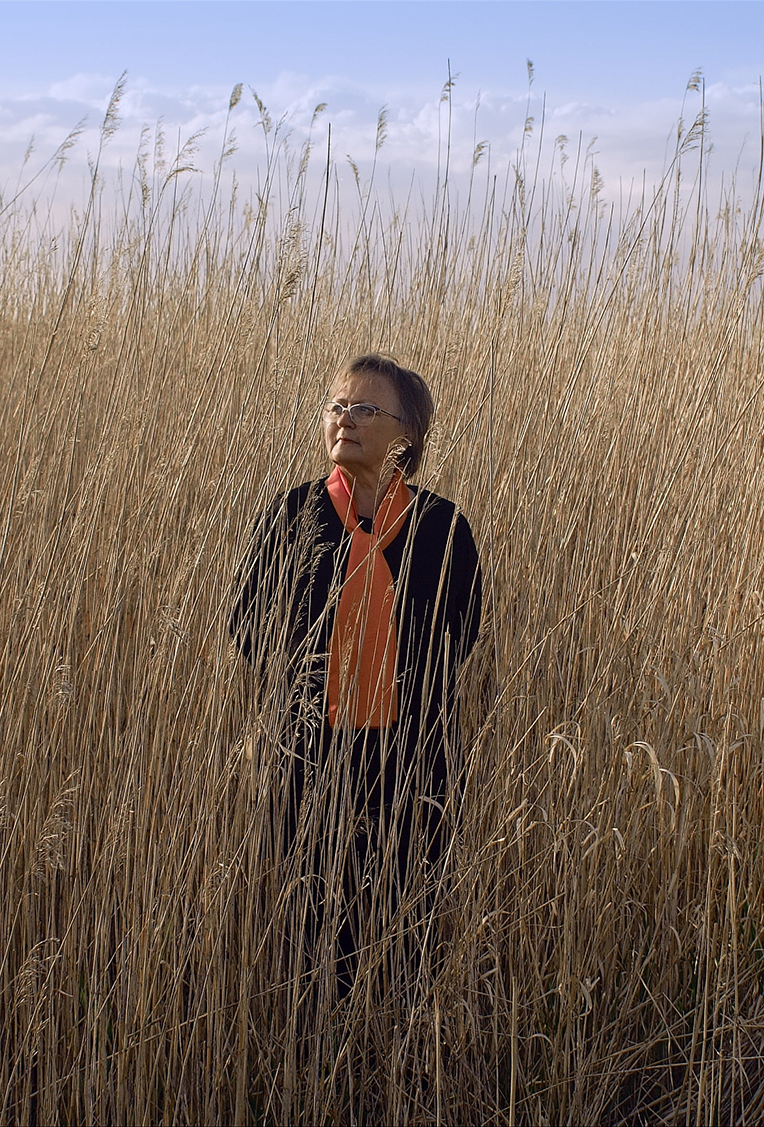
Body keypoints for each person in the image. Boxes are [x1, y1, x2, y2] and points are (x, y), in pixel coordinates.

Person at [230, 354, 484, 1002]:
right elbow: (247, 624)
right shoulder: (292, 515)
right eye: (336, 406)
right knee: (312, 944)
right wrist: (315, 678)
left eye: (364, 408)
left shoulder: (443, 529)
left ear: (406, 435)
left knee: (407, 940)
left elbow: (461, 633)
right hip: (312, 761)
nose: (344, 419)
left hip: (412, 764)